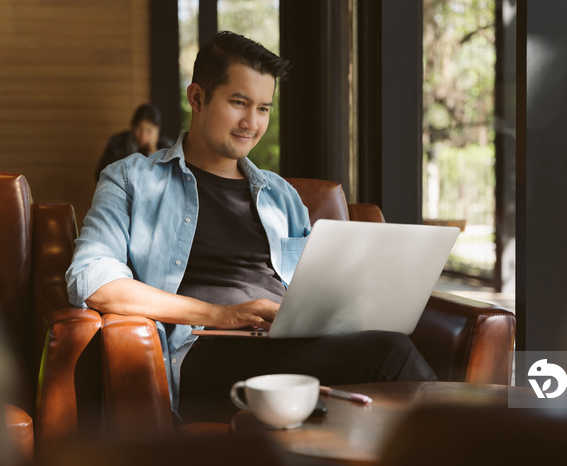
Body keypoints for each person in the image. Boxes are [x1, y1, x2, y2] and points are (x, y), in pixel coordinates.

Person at [67, 31, 437, 424]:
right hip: (204, 351)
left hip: (294, 348)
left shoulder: (282, 195)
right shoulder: (132, 179)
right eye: (239, 103)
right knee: (389, 355)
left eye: (263, 108)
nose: (252, 123)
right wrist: (220, 314)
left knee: (383, 366)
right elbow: (92, 278)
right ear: (197, 98)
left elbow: (318, 289)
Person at [94, 103, 174, 181]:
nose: (143, 136)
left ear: (158, 129)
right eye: (139, 129)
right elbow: (100, 174)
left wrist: (153, 151)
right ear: (132, 126)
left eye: (149, 131)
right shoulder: (117, 144)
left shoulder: (167, 147)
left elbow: (168, 179)